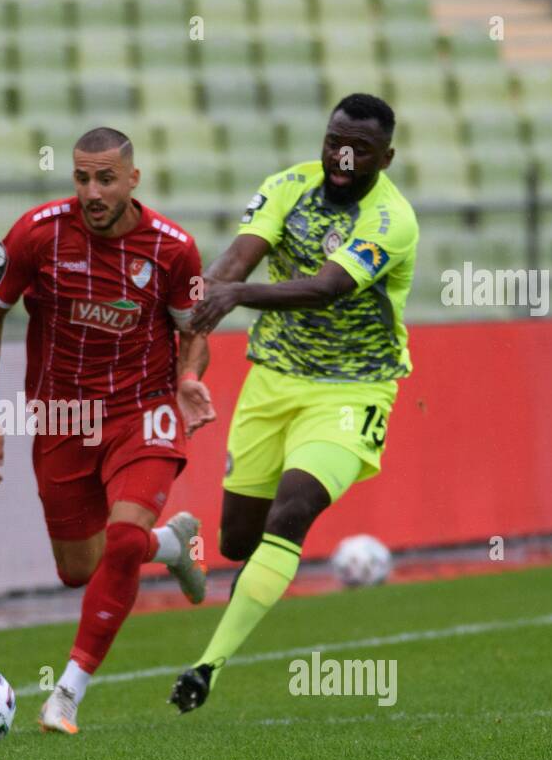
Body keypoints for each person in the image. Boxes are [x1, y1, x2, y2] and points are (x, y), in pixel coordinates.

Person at [170, 94, 419, 713]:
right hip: (272, 381)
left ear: (385, 158)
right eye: (335, 139)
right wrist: (199, 319)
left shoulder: (391, 220)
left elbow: (328, 288)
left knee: (294, 508)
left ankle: (207, 668)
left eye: (360, 149)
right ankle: (179, 550)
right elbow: (235, 259)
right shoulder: (288, 186)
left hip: (353, 388)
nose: (343, 156)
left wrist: (237, 294)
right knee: (235, 541)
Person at [0, 127, 216, 734]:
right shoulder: (38, 232)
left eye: (105, 178)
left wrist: (188, 376)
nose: (92, 191)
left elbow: (195, 330)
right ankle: (170, 545)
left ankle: (67, 692)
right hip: (61, 416)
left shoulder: (173, 248)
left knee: (123, 542)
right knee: (80, 569)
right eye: (82, 177)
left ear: (134, 179)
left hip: (142, 410)